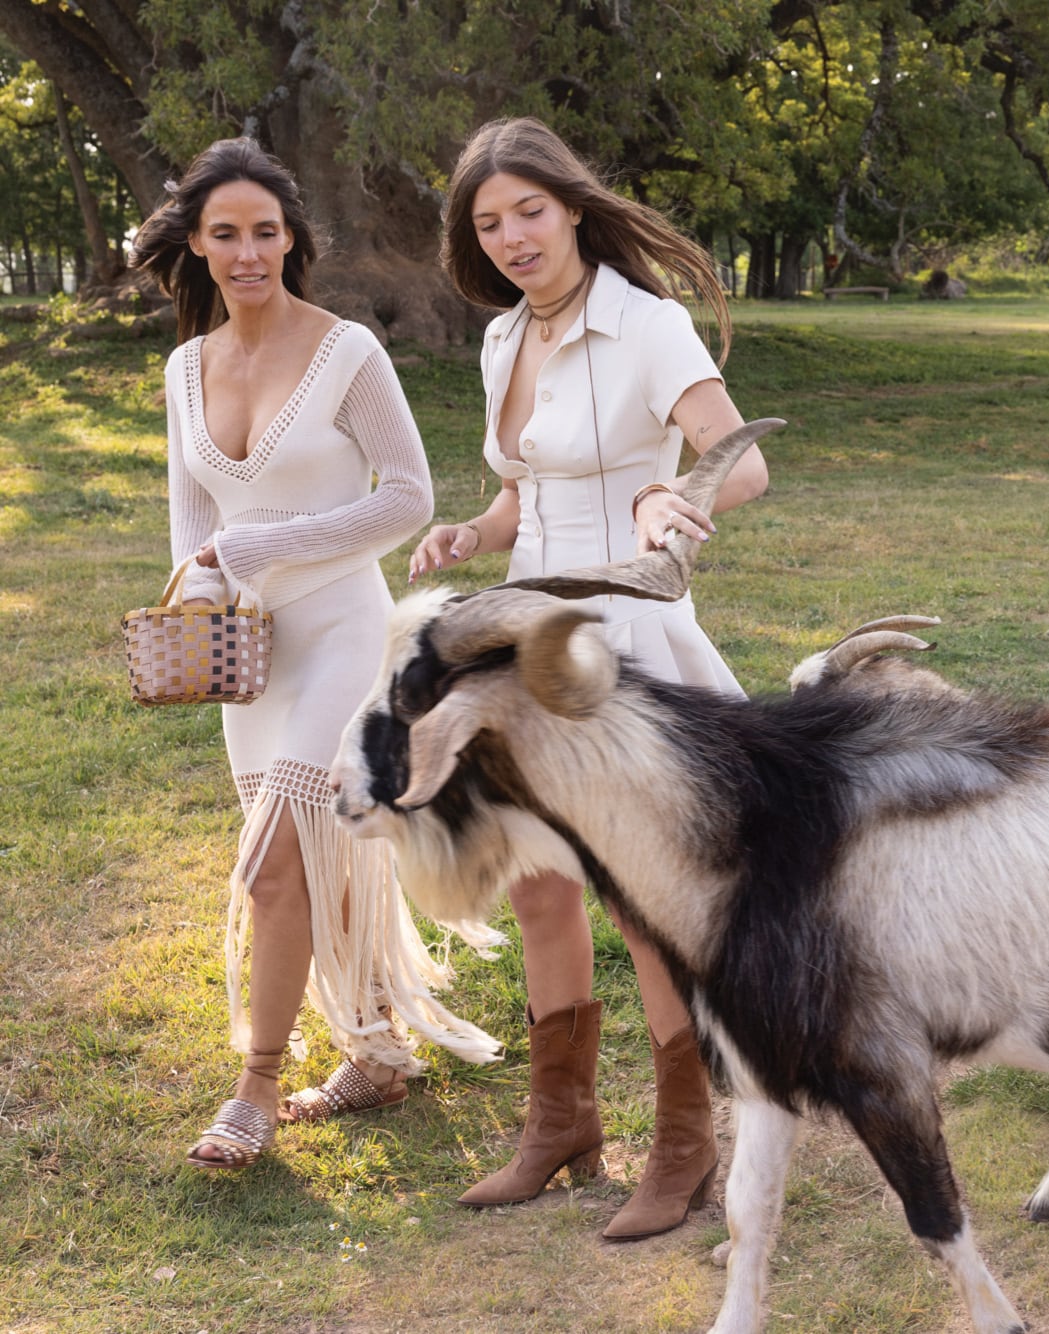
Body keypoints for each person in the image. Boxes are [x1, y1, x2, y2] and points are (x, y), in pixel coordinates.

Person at [410, 117, 768, 1241]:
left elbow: (739, 457)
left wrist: (681, 500)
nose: (512, 236)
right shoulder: (501, 338)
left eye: (528, 210)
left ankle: (684, 1140)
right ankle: (560, 1122)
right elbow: (527, 488)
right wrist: (473, 530)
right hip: (518, 633)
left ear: (570, 205)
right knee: (532, 877)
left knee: (634, 893)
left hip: (617, 633)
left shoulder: (646, 323)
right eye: (488, 221)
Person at [132, 139, 501, 1170]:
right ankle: (379, 1047)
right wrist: (205, 592)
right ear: (198, 247)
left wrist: (261, 546)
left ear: (291, 238)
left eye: (264, 231)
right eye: (225, 235)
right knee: (318, 858)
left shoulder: (347, 352)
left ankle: (253, 1084)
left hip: (342, 629)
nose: (247, 252)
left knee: (271, 861)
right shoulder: (184, 365)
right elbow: (193, 517)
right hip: (253, 658)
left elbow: (406, 496)